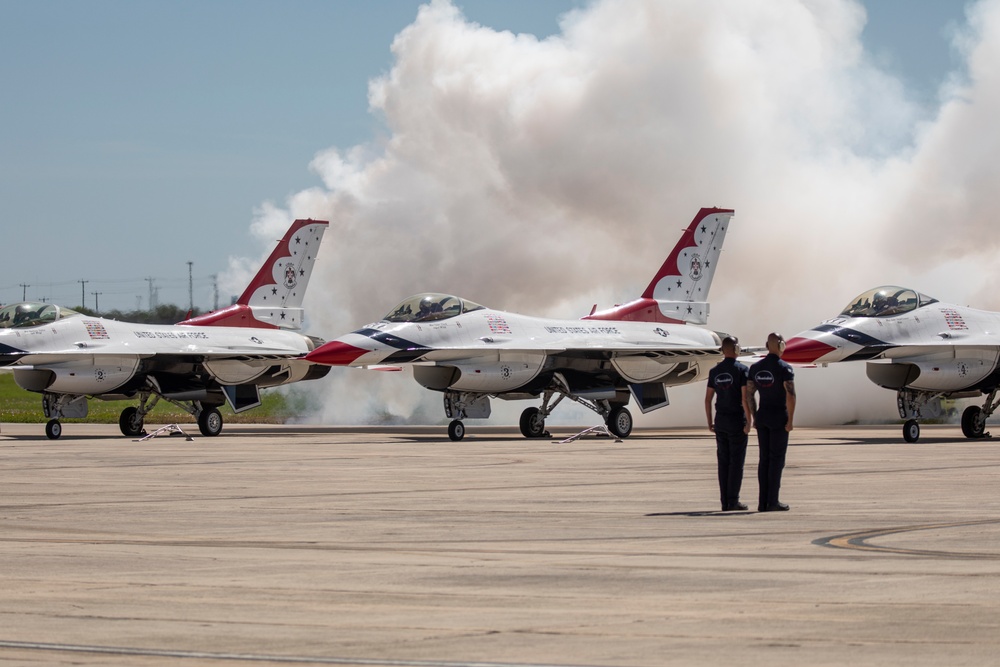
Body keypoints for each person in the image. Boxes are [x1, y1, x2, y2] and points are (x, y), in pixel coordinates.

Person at [747, 332, 796, 512]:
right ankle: (773, 501)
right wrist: (790, 420)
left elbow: (749, 394)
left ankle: (762, 502)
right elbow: (790, 395)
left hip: (763, 416)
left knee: (764, 459)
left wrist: (754, 417)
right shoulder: (785, 368)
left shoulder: (755, 368)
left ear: (767, 346)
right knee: (776, 460)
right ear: (781, 345)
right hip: (778, 416)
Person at [705, 336, 753, 511]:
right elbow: (745, 397)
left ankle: (724, 501)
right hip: (735, 420)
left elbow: (708, 399)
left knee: (723, 462)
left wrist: (710, 422)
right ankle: (733, 500)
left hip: (721, 421)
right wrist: (749, 420)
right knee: (736, 462)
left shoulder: (714, 371)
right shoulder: (742, 370)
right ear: (736, 349)